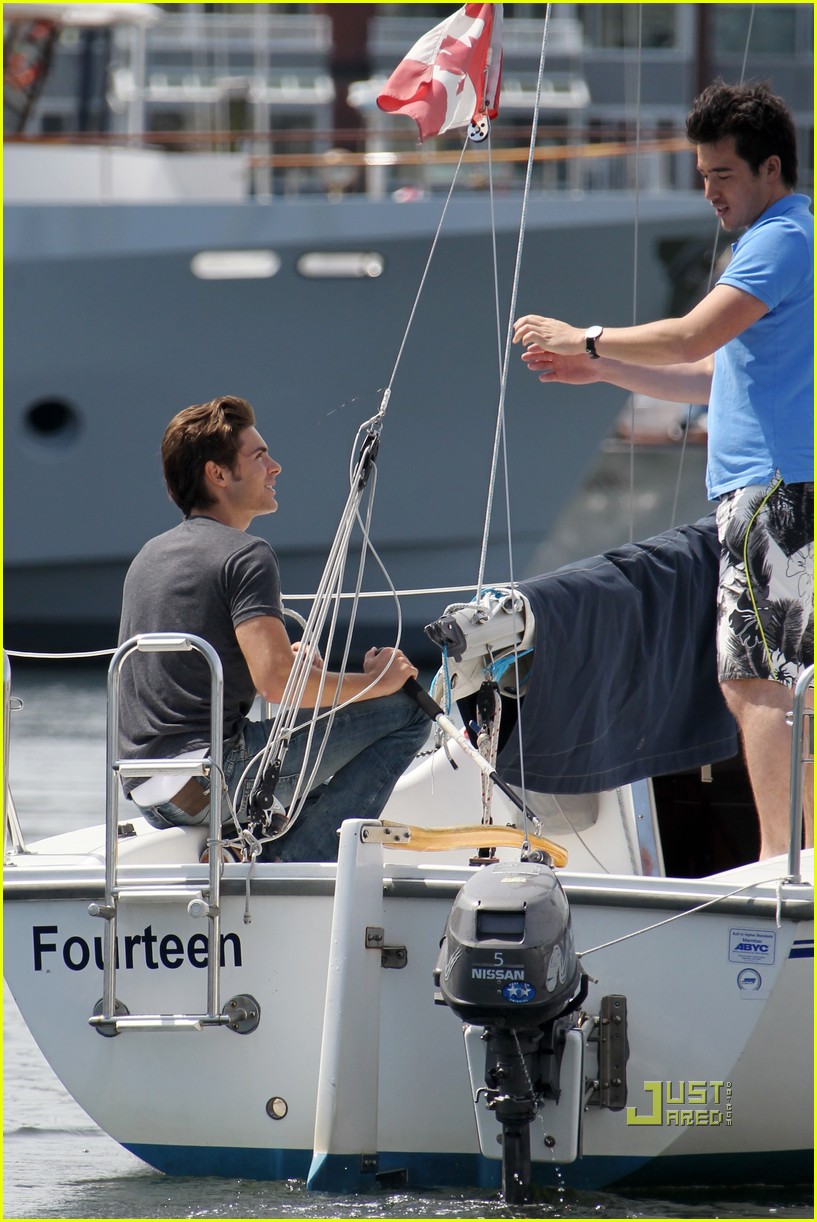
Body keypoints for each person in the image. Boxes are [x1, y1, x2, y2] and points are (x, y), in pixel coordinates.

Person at [512, 81, 813, 861]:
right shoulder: (789, 240)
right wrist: (602, 370)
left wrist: (585, 338)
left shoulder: (778, 240)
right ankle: (794, 855)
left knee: (758, 683)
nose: (707, 190)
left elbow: (686, 338)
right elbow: (716, 377)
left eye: (722, 175)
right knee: (778, 682)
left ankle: (785, 863)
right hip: (779, 488)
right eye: (703, 174)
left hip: (772, 491)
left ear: (769, 169)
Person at [117, 394, 429, 861]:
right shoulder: (246, 555)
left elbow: (192, 679)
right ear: (218, 474)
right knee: (409, 711)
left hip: (148, 791)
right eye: (259, 456)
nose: (276, 467)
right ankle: (288, 860)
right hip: (211, 781)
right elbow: (278, 684)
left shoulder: (148, 556)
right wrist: (377, 683)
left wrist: (288, 657)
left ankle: (251, 843)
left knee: (309, 714)